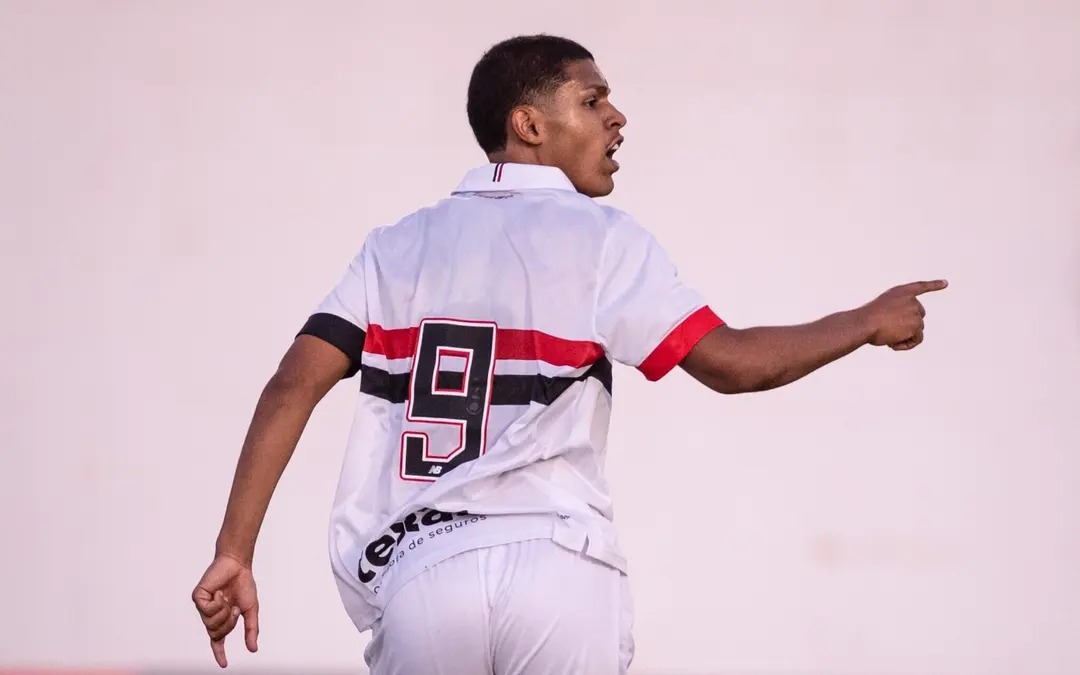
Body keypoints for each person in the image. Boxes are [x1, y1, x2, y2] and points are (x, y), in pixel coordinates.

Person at [191, 34, 947, 674]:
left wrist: (235, 548)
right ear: (529, 125)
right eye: (592, 100)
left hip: (421, 575)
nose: (617, 117)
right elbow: (733, 363)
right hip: (558, 565)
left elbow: (290, 385)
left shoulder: (394, 248)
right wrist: (865, 320)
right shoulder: (602, 238)